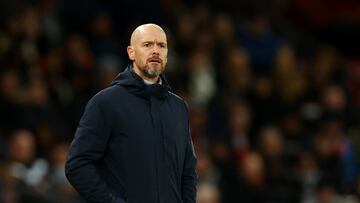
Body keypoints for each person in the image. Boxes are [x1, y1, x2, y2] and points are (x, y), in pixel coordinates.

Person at [65, 23, 198, 203]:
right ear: (131, 53)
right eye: (147, 45)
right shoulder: (105, 102)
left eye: (161, 45)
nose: (155, 51)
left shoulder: (179, 108)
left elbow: (188, 172)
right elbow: (77, 165)